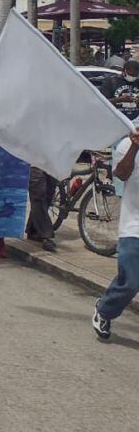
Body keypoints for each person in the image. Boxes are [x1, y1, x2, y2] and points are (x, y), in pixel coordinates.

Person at [93, 129, 139, 340]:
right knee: (130, 282)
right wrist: (135, 146)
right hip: (134, 226)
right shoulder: (126, 146)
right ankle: (105, 309)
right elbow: (121, 174)